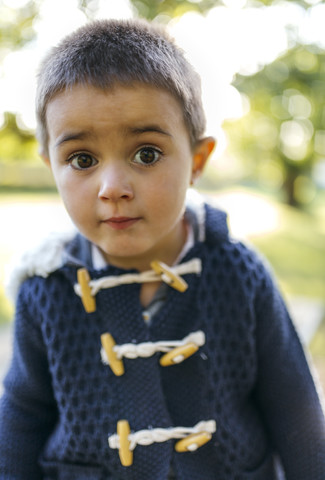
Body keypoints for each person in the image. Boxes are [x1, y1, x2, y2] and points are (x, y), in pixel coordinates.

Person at [0, 18, 324, 480]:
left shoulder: (239, 273)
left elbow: (295, 406)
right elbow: (21, 414)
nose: (112, 187)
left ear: (196, 160)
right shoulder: (45, 289)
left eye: (146, 154)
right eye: (82, 159)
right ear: (51, 163)